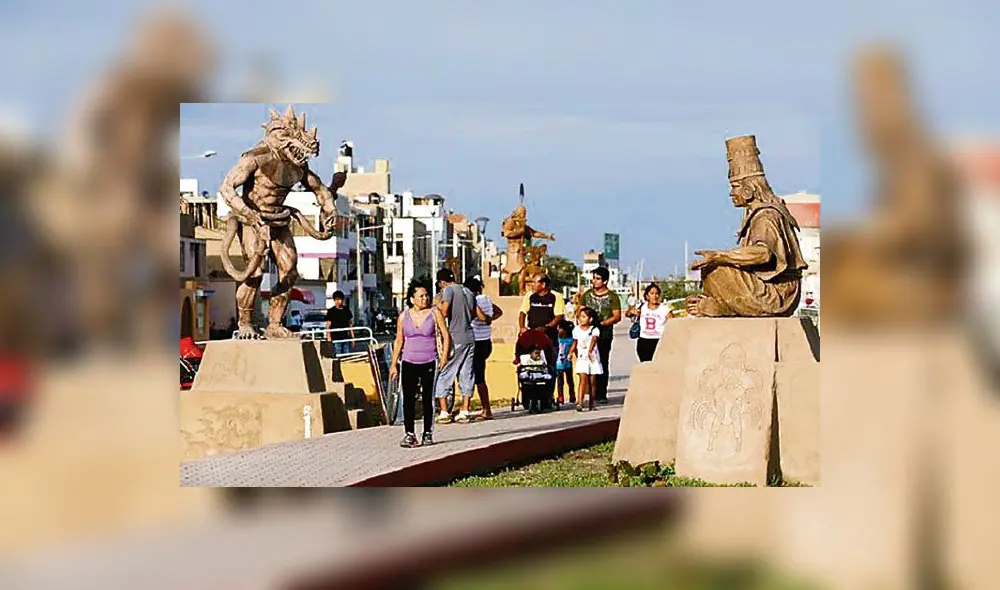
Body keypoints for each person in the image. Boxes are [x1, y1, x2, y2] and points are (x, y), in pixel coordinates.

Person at [389, 283, 450, 448]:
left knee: (427, 399)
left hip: (429, 361)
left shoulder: (434, 313)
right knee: (408, 399)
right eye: (421, 296)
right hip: (409, 361)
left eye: (426, 295)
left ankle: (427, 432)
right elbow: (399, 340)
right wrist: (394, 364)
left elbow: (446, 335)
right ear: (412, 299)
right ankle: (409, 434)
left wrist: (443, 357)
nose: (425, 298)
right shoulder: (404, 316)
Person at [433, 269, 478, 423]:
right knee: (467, 373)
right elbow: (473, 313)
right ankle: (465, 410)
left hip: (455, 337)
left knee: (446, 371)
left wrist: (436, 306)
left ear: (442, 282)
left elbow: (444, 312)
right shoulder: (468, 291)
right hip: (470, 336)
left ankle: (444, 411)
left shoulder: (449, 290)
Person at [517, 274, 565, 408]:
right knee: (528, 364)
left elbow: (559, 316)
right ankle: (528, 395)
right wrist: (522, 327)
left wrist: (547, 327)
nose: (532, 285)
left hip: (548, 338)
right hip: (532, 337)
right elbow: (522, 312)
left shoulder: (556, 297)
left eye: (535, 283)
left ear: (543, 284)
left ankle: (547, 397)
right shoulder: (529, 296)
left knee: (549, 367)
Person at [577, 267, 622, 404]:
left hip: (604, 334)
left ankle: (601, 393)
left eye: (597, 278)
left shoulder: (612, 297)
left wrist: (602, 323)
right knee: (586, 362)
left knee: (601, 361)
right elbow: (580, 312)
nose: (594, 281)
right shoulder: (587, 295)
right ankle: (589, 392)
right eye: (594, 278)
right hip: (587, 333)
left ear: (605, 281)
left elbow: (617, 316)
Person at [465, 276, 503, 421]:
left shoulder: (474, 301)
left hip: (476, 342)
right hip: (486, 341)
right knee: (477, 374)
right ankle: (480, 407)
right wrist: (490, 320)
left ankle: (485, 409)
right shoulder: (486, 299)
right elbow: (499, 312)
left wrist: (485, 319)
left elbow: (480, 317)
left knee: (476, 376)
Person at [625, 283, 672, 362]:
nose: (655, 296)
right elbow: (628, 314)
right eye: (652, 293)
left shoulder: (664, 309)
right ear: (647, 296)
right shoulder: (642, 307)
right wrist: (632, 312)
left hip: (659, 341)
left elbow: (674, 322)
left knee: (658, 364)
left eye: (657, 294)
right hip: (644, 340)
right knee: (646, 364)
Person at [570, 307, 602, 412]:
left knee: (592, 381)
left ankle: (592, 403)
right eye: (580, 317)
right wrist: (571, 352)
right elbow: (575, 343)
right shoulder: (576, 330)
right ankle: (580, 402)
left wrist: (590, 351)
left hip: (592, 358)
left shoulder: (594, 330)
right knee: (582, 379)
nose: (581, 319)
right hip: (582, 358)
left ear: (590, 319)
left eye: (584, 317)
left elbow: (593, 340)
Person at [325, 291, 354, 356]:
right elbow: (328, 325)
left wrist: (353, 338)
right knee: (338, 355)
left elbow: (350, 324)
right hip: (336, 338)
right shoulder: (331, 311)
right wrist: (329, 339)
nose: (337, 302)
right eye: (335, 300)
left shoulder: (346, 310)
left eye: (339, 299)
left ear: (342, 300)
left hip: (346, 337)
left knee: (347, 355)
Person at [555, 320, 576, 405]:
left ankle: (572, 395)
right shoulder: (557, 339)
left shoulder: (570, 340)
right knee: (560, 381)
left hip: (567, 362)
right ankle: (560, 396)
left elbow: (575, 349)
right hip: (558, 363)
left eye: (560, 329)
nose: (558, 330)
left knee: (569, 380)